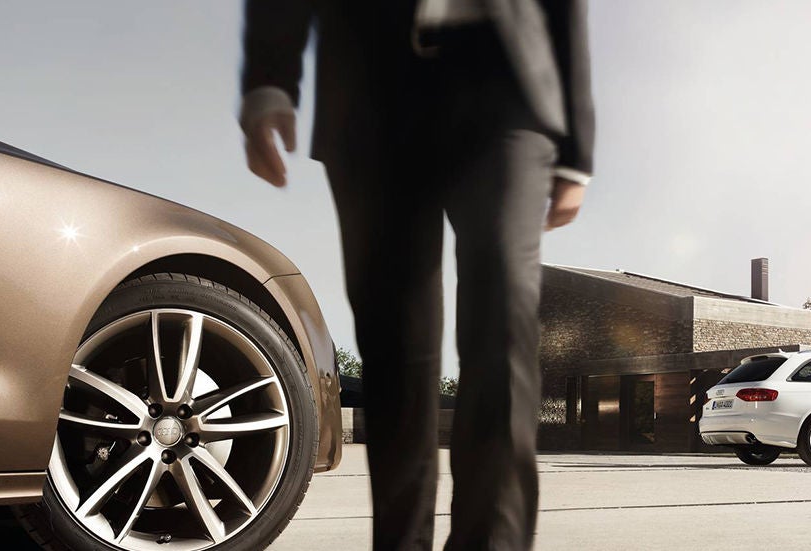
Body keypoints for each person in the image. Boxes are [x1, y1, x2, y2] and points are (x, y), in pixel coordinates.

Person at [237, 1, 594, 548]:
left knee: (503, 316)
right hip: (368, 79)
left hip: (507, 84)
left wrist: (577, 148)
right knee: (397, 344)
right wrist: (268, 79)